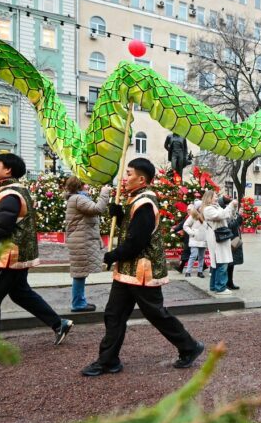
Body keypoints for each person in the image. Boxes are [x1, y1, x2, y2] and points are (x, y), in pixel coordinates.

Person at [81, 157, 204, 377]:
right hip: (128, 271)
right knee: (114, 315)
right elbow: (131, 230)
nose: (124, 178)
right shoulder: (136, 199)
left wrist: (112, 255)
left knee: (156, 314)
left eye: (128, 174)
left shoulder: (145, 203)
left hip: (142, 271)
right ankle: (108, 360)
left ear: (141, 178)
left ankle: (190, 347)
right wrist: (119, 217)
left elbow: (136, 242)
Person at [0, 153, 73, 359]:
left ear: (8, 170)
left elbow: (1, 226)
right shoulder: (11, 192)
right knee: (20, 293)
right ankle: (59, 324)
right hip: (16, 253)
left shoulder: (10, 194)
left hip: (8, 255)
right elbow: (1, 217)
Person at [64, 176, 110, 312]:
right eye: (86, 185)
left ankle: (80, 301)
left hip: (80, 239)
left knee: (80, 273)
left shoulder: (77, 198)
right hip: (81, 241)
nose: (88, 187)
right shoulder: (79, 199)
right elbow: (97, 209)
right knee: (79, 273)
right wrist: (104, 192)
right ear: (79, 186)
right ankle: (78, 303)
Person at [201, 188, 239, 295]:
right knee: (222, 262)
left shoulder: (216, 207)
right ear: (209, 198)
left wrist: (234, 208)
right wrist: (231, 205)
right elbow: (221, 215)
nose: (217, 198)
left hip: (220, 237)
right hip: (217, 239)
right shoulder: (208, 209)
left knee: (217, 263)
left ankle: (214, 286)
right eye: (215, 196)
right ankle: (220, 287)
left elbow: (228, 217)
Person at [182, 205, 207, 278]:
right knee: (193, 255)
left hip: (203, 239)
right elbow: (185, 225)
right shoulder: (192, 216)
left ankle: (200, 271)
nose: (201, 208)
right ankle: (188, 272)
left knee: (201, 256)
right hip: (194, 239)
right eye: (200, 207)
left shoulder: (205, 215)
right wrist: (192, 233)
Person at [225, 211, 243, 291]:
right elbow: (231, 226)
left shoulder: (233, 215)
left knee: (231, 264)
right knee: (228, 264)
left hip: (233, 242)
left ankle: (230, 282)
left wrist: (239, 216)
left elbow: (238, 224)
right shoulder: (226, 214)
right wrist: (239, 218)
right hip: (229, 242)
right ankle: (226, 283)